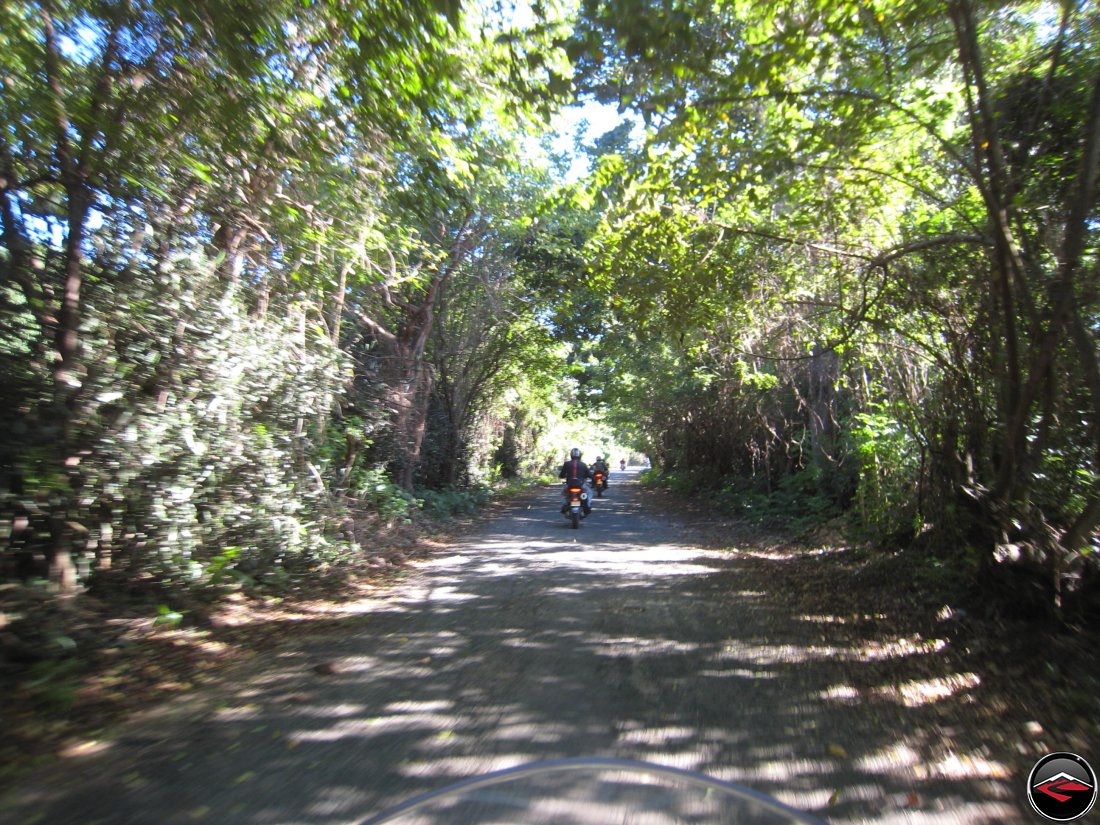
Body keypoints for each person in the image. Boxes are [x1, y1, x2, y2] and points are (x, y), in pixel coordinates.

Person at [558, 447, 592, 517]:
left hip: (569, 485)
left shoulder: (566, 464)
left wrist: (564, 476)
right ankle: (587, 506)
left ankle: (564, 506)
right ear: (579, 455)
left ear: (571, 455)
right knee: (589, 493)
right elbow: (589, 474)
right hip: (581, 485)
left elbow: (561, 475)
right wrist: (592, 478)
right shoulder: (583, 464)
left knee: (562, 494)